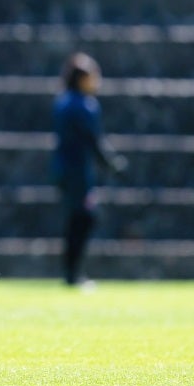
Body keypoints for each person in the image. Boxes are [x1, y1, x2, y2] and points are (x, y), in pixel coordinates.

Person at [51, 52, 127, 287]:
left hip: (61, 169)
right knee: (84, 220)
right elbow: (93, 140)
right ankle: (74, 275)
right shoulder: (85, 105)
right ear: (82, 78)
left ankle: (71, 273)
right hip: (78, 173)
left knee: (75, 220)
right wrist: (112, 163)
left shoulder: (62, 101)